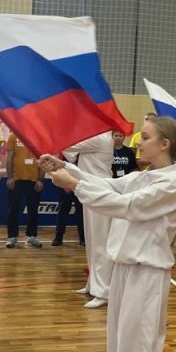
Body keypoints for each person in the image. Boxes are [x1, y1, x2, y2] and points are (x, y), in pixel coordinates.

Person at [40, 115, 176, 352]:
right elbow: (110, 185)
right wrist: (65, 168)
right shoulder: (145, 176)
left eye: (146, 137)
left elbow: (125, 206)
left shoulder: (172, 184)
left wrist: (73, 185)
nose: (138, 142)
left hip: (147, 274)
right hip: (125, 270)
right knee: (119, 346)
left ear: (164, 144)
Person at [64, 131, 114, 309]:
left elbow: (66, 145)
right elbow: (71, 153)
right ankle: (93, 283)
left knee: (100, 243)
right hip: (90, 188)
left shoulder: (99, 137)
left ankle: (104, 291)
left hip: (99, 190)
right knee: (92, 241)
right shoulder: (95, 136)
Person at [3, 132, 44, 249]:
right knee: (13, 209)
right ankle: (12, 237)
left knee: (33, 210)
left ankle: (31, 236)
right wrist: (10, 177)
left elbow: (43, 159)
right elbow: (9, 158)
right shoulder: (13, 136)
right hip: (17, 179)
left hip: (34, 180)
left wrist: (41, 179)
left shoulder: (39, 137)